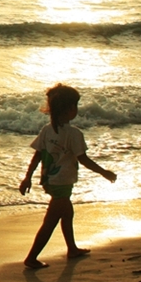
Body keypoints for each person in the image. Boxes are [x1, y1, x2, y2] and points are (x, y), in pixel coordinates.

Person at [19, 83, 117, 269]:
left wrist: (28, 177)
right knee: (51, 221)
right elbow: (83, 159)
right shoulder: (73, 134)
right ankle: (31, 258)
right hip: (62, 182)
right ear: (70, 109)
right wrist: (104, 172)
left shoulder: (47, 130)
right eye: (76, 106)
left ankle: (72, 249)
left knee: (67, 213)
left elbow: (37, 155)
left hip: (50, 180)